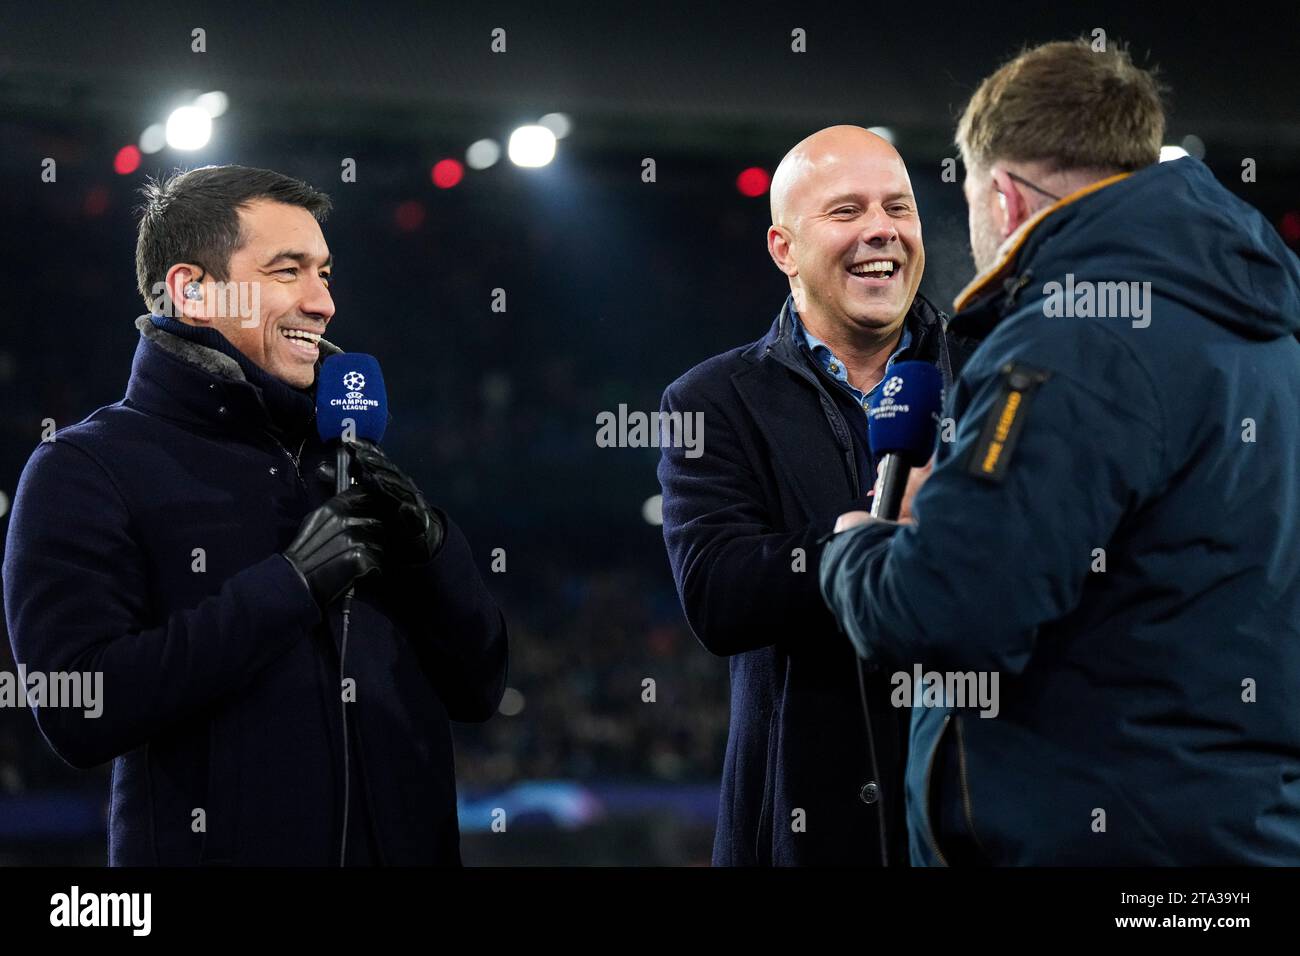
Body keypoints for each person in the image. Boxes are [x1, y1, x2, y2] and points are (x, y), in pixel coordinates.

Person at [820, 41, 1300, 864]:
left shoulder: (1073, 340)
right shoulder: (1266, 334)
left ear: (1003, 198)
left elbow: (945, 612)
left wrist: (859, 544)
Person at [3, 165, 508, 865]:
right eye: (286, 271)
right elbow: (77, 710)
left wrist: (434, 555)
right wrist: (290, 587)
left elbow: (481, 688)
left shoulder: (347, 459)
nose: (323, 301)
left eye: (325, 272)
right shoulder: (85, 468)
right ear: (192, 290)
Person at [658, 126, 976, 865]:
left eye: (899, 208)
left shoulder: (995, 375)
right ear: (784, 249)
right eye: (846, 211)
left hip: (974, 816)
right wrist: (859, 542)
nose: (882, 231)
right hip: (800, 829)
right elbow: (716, 590)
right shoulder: (712, 400)